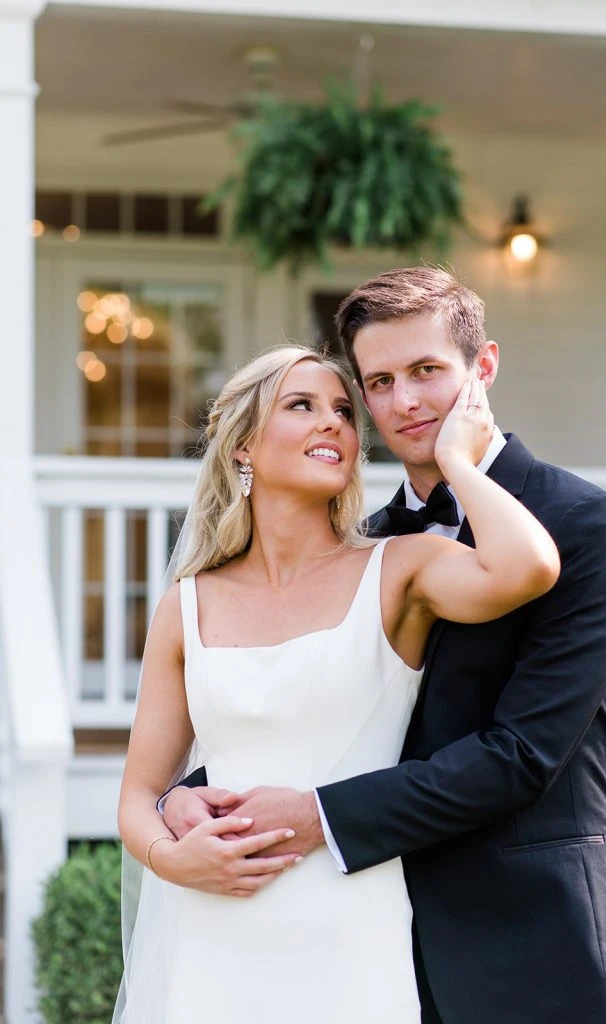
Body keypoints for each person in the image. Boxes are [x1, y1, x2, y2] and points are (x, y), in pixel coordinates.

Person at [164, 268, 606, 1024]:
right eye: (380, 382)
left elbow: (522, 755)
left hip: (533, 940)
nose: (405, 403)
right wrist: (190, 797)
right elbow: (319, 708)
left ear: (482, 368)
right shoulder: (370, 549)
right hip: (371, 936)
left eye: (428, 372)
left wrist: (312, 815)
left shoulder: (581, 523)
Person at [116, 342, 558, 1024]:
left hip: (353, 927)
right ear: (242, 448)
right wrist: (176, 864)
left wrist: (456, 462)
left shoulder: (400, 569)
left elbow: (527, 567)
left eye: (344, 412)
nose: (334, 424)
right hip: (211, 933)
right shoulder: (187, 605)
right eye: (302, 406)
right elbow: (140, 795)